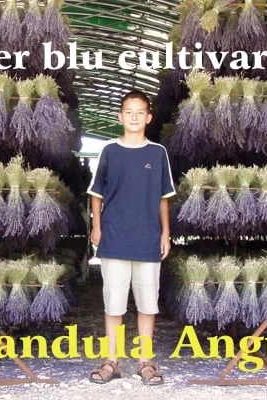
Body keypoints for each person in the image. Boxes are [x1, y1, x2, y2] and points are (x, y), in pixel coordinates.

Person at [87, 90, 175, 385]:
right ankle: (112, 362)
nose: (134, 117)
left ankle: (145, 362)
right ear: (120, 116)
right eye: (129, 112)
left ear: (148, 117)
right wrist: (97, 227)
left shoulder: (157, 153)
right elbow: (96, 194)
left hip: (149, 238)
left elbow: (164, 197)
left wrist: (166, 232)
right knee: (114, 304)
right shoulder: (110, 151)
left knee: (148, 304)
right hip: (114, 236)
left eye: (140, 112)